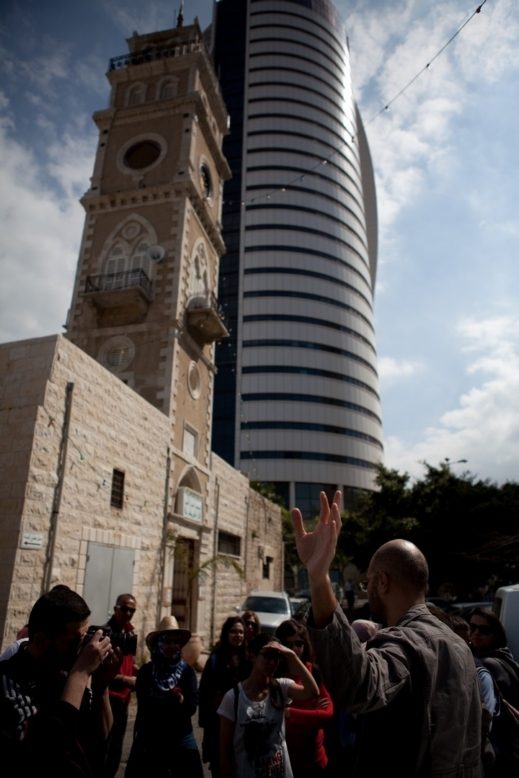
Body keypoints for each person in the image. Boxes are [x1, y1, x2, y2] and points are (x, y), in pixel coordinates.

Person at [292, 489, 484, 777]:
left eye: (366, 583)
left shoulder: (407, 644)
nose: (366, 590)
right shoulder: (460, 646)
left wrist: (319, 577)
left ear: (382, 582)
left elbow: (358, 687)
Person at [0, 585, 119, 777]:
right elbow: (44, 757)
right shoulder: (9, 681)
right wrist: (80, 674)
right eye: (74, 642)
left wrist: (101, 687)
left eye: (85, 639)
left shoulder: (64, 676)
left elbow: (100, 741)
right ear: (40, 641)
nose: (83, 649)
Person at [217, 631, 319, 778]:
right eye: (267, 656)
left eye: (276, 657)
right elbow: (225, 752)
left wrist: (293, 657)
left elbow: (312, 692)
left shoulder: (281, 687)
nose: (272, 662)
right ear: (253, 656)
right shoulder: (233, 698)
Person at [125, 614, 204, 778]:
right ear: (158, 644)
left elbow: (190, 708)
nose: (172, 646)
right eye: (167, 641)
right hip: (149, 738)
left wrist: (164, 701)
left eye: (176, 642)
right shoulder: (146, 671)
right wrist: (174, 701)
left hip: (180, 737)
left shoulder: (188, 672)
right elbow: (147, 705)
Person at [275, 618, 334, 778]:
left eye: (299, 644)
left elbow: (327, 715)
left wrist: (289, 713)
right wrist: (312, 715)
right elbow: (276, 720)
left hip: (314, 759)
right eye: (288, 644)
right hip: (283, 761)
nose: (294, 649)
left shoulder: (314, 672)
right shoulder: (275, 675)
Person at [468, 606, 519, 776]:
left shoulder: (488, 664)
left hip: (500, 749)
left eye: (484, 630)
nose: (476, 633)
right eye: (472, 627)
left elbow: (489, 716)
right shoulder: (504, 656)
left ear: (496, 633)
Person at [199, 615, 250, 777]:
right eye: (233, 631)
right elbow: (204, 693)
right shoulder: (215, 659)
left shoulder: (249, 659)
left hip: (243, 724)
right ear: (226, 634)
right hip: (218, 724)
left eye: (241, 632)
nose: (238, 635)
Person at [103, 593, 138, 778]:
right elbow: (99, 671)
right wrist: (124, 679)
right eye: (125, 609)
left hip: (123, 701)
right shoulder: (107, 634)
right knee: (104, 748)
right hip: (107, 699)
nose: (128, 614)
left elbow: (130, 663)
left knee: (116, 749)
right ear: (116, 609)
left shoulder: (130, 633)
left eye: (132, 610)